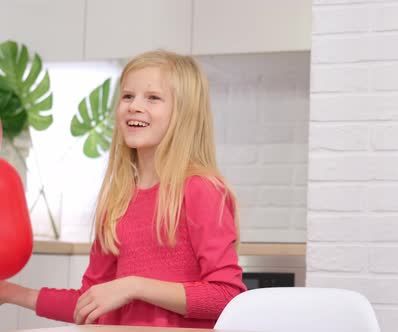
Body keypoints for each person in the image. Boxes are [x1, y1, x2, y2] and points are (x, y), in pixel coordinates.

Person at [0, 50, 247, 329]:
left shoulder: (201, 190)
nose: (134, 106)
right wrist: (11, 293)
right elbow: (90, 303)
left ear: (185, 113)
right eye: (128, 96)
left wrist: (133, 287)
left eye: (153, 97)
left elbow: (227, 297)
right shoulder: (117, 201)